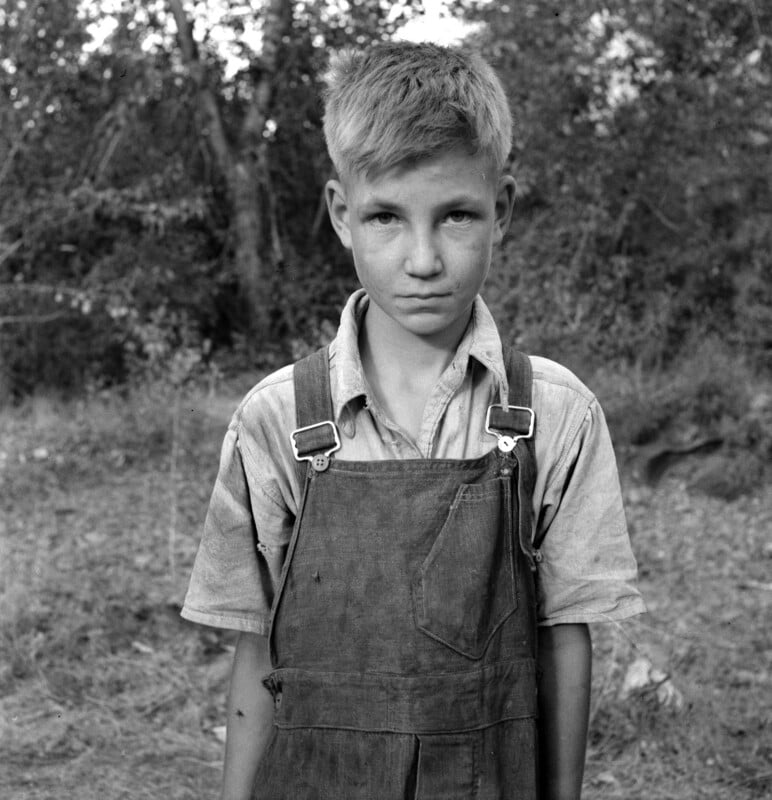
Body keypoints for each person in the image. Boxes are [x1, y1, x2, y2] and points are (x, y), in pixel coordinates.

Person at [181, 41, 646, 800]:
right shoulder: (275, 419)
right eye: (386, 217)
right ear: (342, 214)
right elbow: (255, 652)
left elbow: (566, 638)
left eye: (456, 215)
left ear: (502, 209)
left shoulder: (557, 415)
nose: (423, 259)